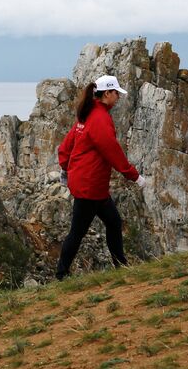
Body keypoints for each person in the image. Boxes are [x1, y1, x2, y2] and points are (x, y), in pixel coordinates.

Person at [56, 75, 145, 280]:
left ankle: (121, 265)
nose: (118, 97)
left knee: (113, 222)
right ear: (107, 94)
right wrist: (134, 176)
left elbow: (66, 146)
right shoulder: (100, 118)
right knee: (78, 231)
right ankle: (61, 274)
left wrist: (65, 169)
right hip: (90, 186)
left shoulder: (87, 114)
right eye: (116, 93)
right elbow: (112, 150)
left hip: (90, 184)